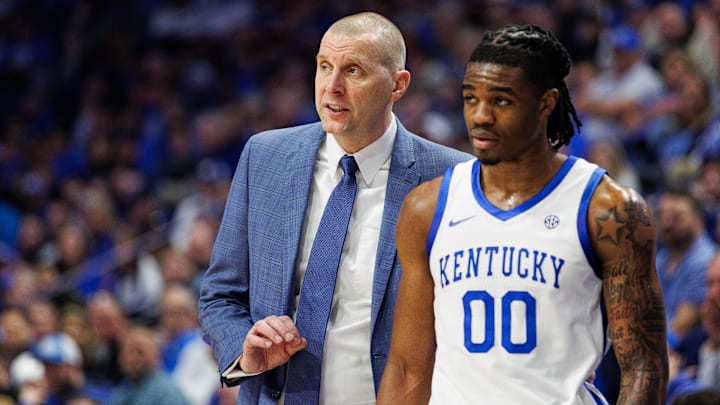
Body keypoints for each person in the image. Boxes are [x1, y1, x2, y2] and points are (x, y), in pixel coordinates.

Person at [377, 24, 668, 404]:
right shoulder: (426, 208)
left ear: (546, 103)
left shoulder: (610, 210)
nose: (480, 116)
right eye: (470, 98)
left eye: (500, 100)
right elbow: (406, 367)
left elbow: (644, 366)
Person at [198, 11, 472, 405]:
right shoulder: (265, 157)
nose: (332, 87)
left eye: (354, 71)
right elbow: (220, 295)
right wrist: (245, 350)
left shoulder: (451, 177)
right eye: (324, 67)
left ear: (398, 85)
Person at [110, 326, 189, 405]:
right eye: (128, 352)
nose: (132, 358)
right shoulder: (124, 388)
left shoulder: (167, 392)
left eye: (140, 352)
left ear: (156, 356)